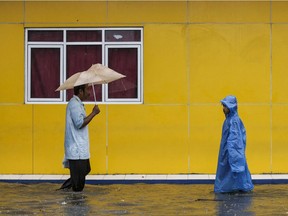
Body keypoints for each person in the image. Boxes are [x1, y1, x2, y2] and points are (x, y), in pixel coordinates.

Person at [59, 84, 100, 192]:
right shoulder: (74, 105)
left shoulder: (79, 104)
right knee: (78, 184)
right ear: (80, 91)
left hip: (80, 149)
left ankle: (65, 190)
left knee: (85, 170)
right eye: (87, 89)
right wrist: (94, 113)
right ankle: (73, 203)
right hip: (76, 149)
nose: (89, 92)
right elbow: (79, 123)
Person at [214, 95, 254, 193]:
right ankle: (235, 188)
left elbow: (235, 142)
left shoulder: (234, 121)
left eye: (225, 106)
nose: (223, 108)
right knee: (229, 173)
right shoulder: (230, 120)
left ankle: (235, 189)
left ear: (231, 107)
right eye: (223, 106)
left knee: (232, 173)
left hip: (231, 155)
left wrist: (235, 160)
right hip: (228, 153)